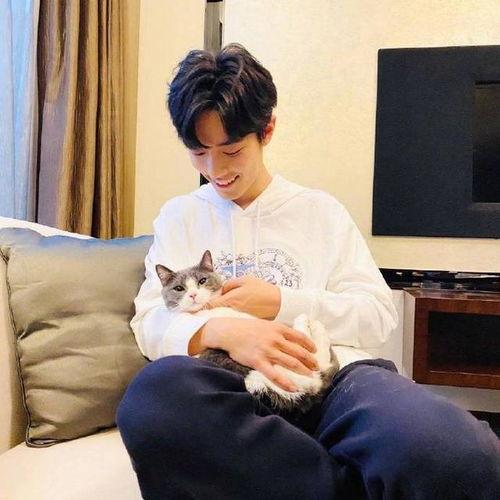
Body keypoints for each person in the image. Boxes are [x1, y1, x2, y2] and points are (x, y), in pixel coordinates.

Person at [116, 43, 499, 500]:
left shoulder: (319, 211)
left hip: (334, 379)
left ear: (267, 129)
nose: (215, 170)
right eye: (199, 152)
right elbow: (149, 322)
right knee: (150, 401)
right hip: (226, 389)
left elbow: (378, 315)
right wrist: (225, 332)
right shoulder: (180, 216)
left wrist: (282, 302)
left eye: (231, 150)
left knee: (461, 453)